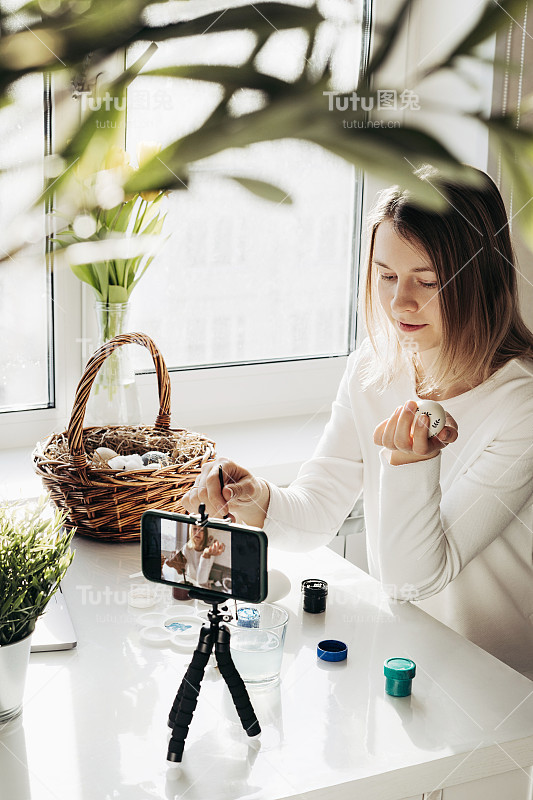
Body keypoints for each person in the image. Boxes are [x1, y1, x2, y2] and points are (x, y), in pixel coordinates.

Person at [182, 164, 533, 678]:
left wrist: (409, 464)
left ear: (480, 276)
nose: (399, 301)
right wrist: (258, 498)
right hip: (405, 649)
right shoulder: (375, 367)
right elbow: (319, 509)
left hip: (498, 676)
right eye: (387, 276)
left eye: (427, 280)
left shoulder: (520, 405)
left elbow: (414, 578)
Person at [163, 524, 225, 589]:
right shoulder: (187, 547)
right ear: (190, 531)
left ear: (205, 533)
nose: (197, 532)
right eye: (195, 529)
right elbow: (183, 571)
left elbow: (201, 581)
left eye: (201, 530)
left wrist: (205, 556)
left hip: (202, 588)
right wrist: (176, 563)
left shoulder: (209, 551)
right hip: (189, 584)